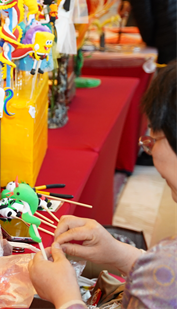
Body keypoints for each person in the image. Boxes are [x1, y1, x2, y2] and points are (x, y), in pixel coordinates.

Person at [30, 61, 177, 308]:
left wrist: (66, 297)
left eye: (154, 135)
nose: (149, 148)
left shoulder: (165, 266)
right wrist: (121, 255)